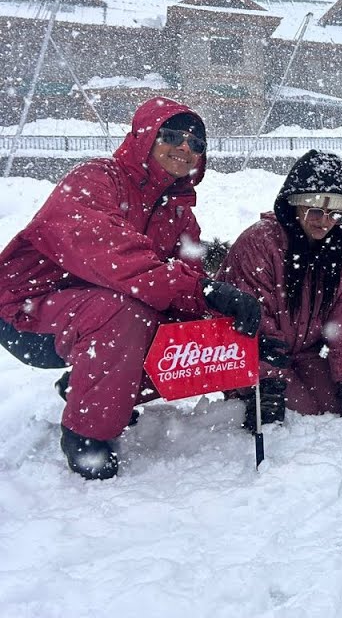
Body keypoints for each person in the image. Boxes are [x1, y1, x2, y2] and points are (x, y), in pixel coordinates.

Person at [0, 97, 261, 480]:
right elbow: (116, 258)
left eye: (196, 143)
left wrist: (238, 336)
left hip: (99, 314)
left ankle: (90, 387)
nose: (184, 147)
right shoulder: (95, 179)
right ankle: (87, 436)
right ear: (145, 136)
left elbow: (186, 297)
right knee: (127, 310)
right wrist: (202, 289)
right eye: (172, 135)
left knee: (178, 334)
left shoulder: (179, 214)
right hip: (27, 311)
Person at [217, 149, 342, 430]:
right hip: (254, 355)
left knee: (333, 409)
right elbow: (252, 320)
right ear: (294, 205)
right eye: (315, 211)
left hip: (305, 354)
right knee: (300, 417)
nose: (324, 221)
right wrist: (266, 383)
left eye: (335, 214)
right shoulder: (260, 243)